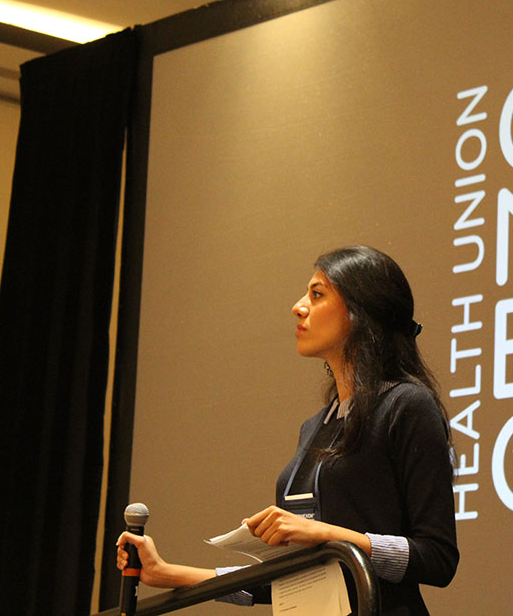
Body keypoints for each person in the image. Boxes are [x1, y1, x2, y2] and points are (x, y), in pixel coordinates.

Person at [117, 245, 458, 614]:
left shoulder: (407, 405)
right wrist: (167, 573)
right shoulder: (314, 427)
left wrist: (329, 537)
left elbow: (437, 557)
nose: (298, 307)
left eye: (317, 294)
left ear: (361, 310)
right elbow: (294, 580)